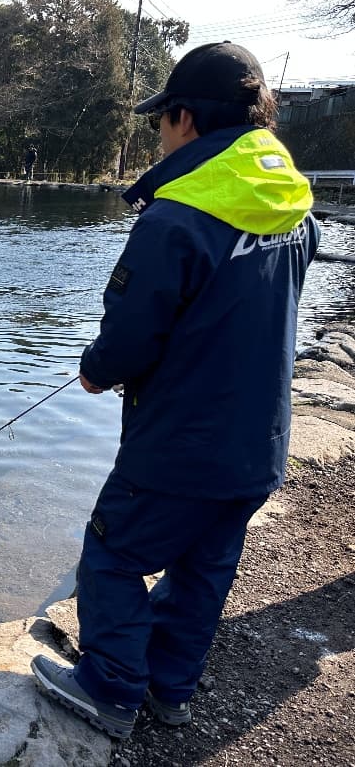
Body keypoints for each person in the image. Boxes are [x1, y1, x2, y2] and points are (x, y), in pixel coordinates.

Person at [30, 42, 320, 740]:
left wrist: (96, 369)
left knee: (112, 553)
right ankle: (168, 688)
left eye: (161, 119)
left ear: (185, 119)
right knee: (202, 565)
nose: (157, 132)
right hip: (259, 442)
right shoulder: (295, 207)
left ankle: (110, 688)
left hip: (181, 444)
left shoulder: (176, 217)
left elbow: (131, 335)